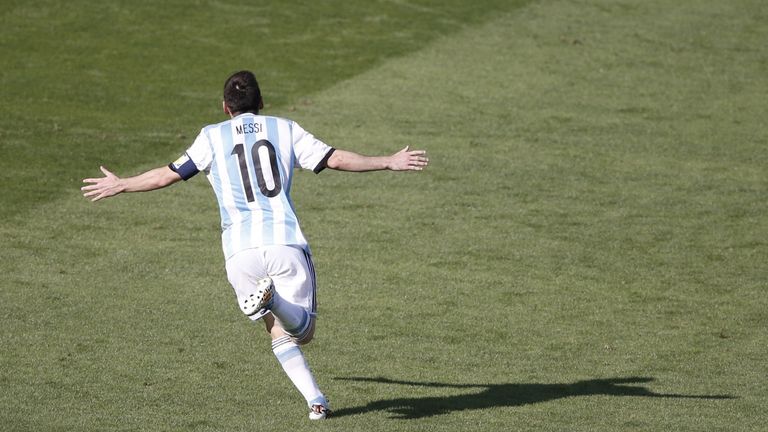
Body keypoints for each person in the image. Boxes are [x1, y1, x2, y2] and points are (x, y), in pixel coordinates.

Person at [81, 70, 429, 420]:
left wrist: (122, 184)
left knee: (275, 328)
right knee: (303, 332)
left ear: (224, 107)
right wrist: (388, 161)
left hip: (239, 252)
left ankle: (316, 401)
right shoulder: (285, 128)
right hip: (283, 242)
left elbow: (168, 173)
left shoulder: (210, 137)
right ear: (261, 103)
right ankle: (274, 299)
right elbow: (334, 158)